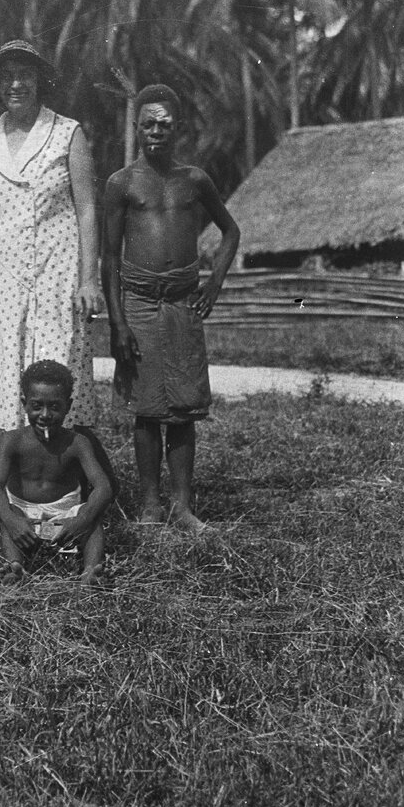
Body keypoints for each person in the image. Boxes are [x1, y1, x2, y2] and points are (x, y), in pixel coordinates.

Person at [0, 39, 115, 489]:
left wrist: (89, 279)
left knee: (57, 376)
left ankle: (84, 487)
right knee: (11, 382)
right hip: (1, 281)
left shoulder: (67, 133)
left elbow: (87, 208)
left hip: (56, 274)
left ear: (39, 80)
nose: (16, 84)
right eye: (7, 76)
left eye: (24, 75)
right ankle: (18, 490)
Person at [101, 84, 240, 531]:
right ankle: (150, 505)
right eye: (148, 125)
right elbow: (109, 258)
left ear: (177, 128)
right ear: (136, 128)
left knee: (183, 409)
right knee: (147, 410)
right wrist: (118, 323)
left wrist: (214, 282)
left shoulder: (194, 180)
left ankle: (182, 506)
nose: (156, 132)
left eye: (164, 124)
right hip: (139, 303)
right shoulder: (121, 183)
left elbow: (230, 231)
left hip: (182, 302)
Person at [0, 360, 113, 586]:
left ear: (68, 406)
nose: (45, 415)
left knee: (93, 518)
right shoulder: (11, 440)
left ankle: (91, 572)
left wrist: (82, 519)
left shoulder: (77, 443)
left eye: (55, 407)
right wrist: (11, 520)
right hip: (25, 522)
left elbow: (103, 487)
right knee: (9, 512)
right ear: (24, 404)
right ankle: (15, 568)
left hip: (66, 521)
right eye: (37, 406)